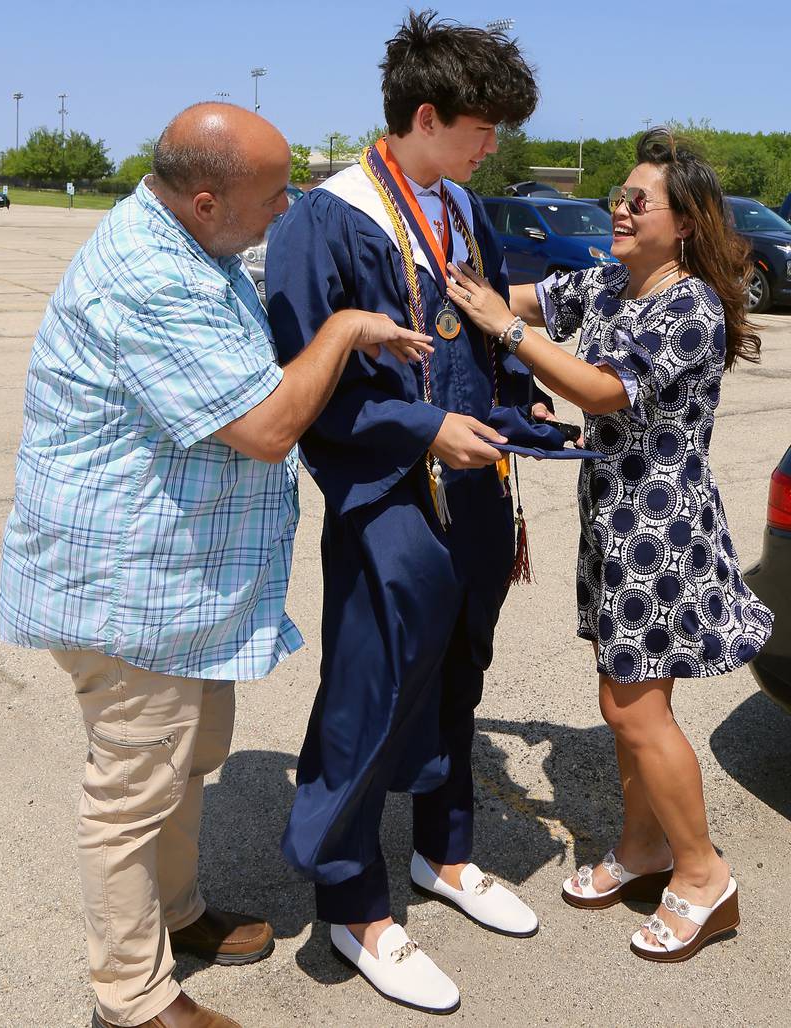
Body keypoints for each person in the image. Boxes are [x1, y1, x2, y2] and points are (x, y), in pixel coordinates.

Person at [0, 102, 431, 1028]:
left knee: (189, 760)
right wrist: (347, 328)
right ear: (204, 198)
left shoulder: (201, 248)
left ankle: (179, 913)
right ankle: (132, 995)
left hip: (183, 589)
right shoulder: (149, 277)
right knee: (130, 791)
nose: (289, 210)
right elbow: (268, 429)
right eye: (275, 195)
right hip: (128, 591)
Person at [267, 12, 551, 1013]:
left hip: (476, 488)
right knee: (374, 684)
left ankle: (446, 849)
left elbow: (473, 344)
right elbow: (314, 385)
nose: (491, 146)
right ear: (424, 115)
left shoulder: (461, 209)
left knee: (458, 673)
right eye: (480, 128)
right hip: (386, 491)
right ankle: (353, 900)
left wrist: (520, 406)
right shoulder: (328, 218)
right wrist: (423, 428)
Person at [444, 128, 774, 963]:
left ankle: (704, 877)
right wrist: (456, 286)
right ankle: (644, 848)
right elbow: (521, 300)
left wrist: (506, 331)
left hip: (660, 528)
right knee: (626, 701)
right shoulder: (611, 285)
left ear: (687, 221)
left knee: (631, 706)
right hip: (614, 521)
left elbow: (603, 389)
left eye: (638, 201)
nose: (618, 210)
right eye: (617, 198)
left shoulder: (688, 304)